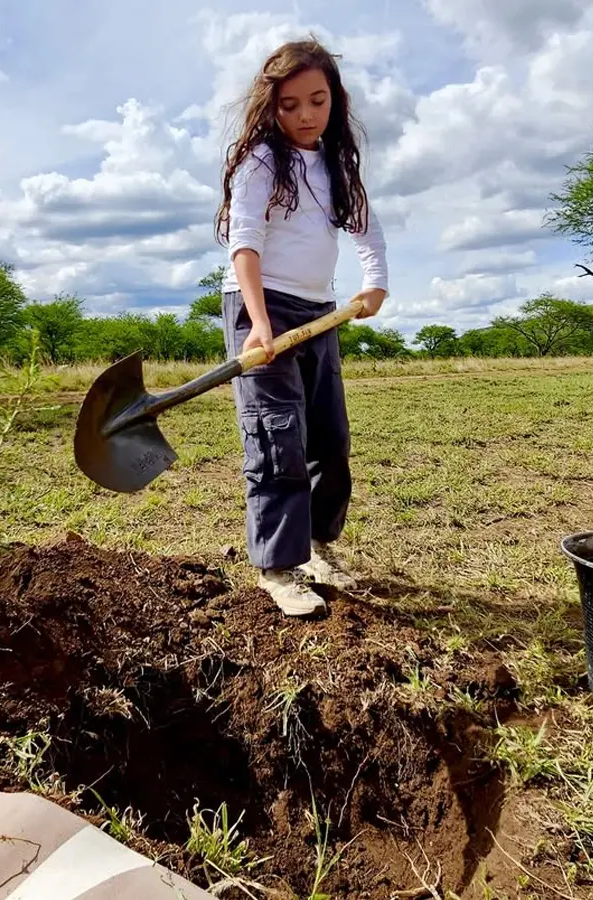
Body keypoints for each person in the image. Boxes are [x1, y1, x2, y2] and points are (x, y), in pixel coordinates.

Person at [214, 37, 389, 617]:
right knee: (276, 438)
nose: (305, 115)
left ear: (335, 99)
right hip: (260, 308)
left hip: (321, 313)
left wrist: (375, 281)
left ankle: (316, 549)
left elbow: (366, 230)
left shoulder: (337, 163)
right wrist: (259, 325)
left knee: (329, 440)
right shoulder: (261, 160)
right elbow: (245, 243)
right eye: (290, 105)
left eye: (317, 100)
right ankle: (277, 566)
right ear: (271, 106)